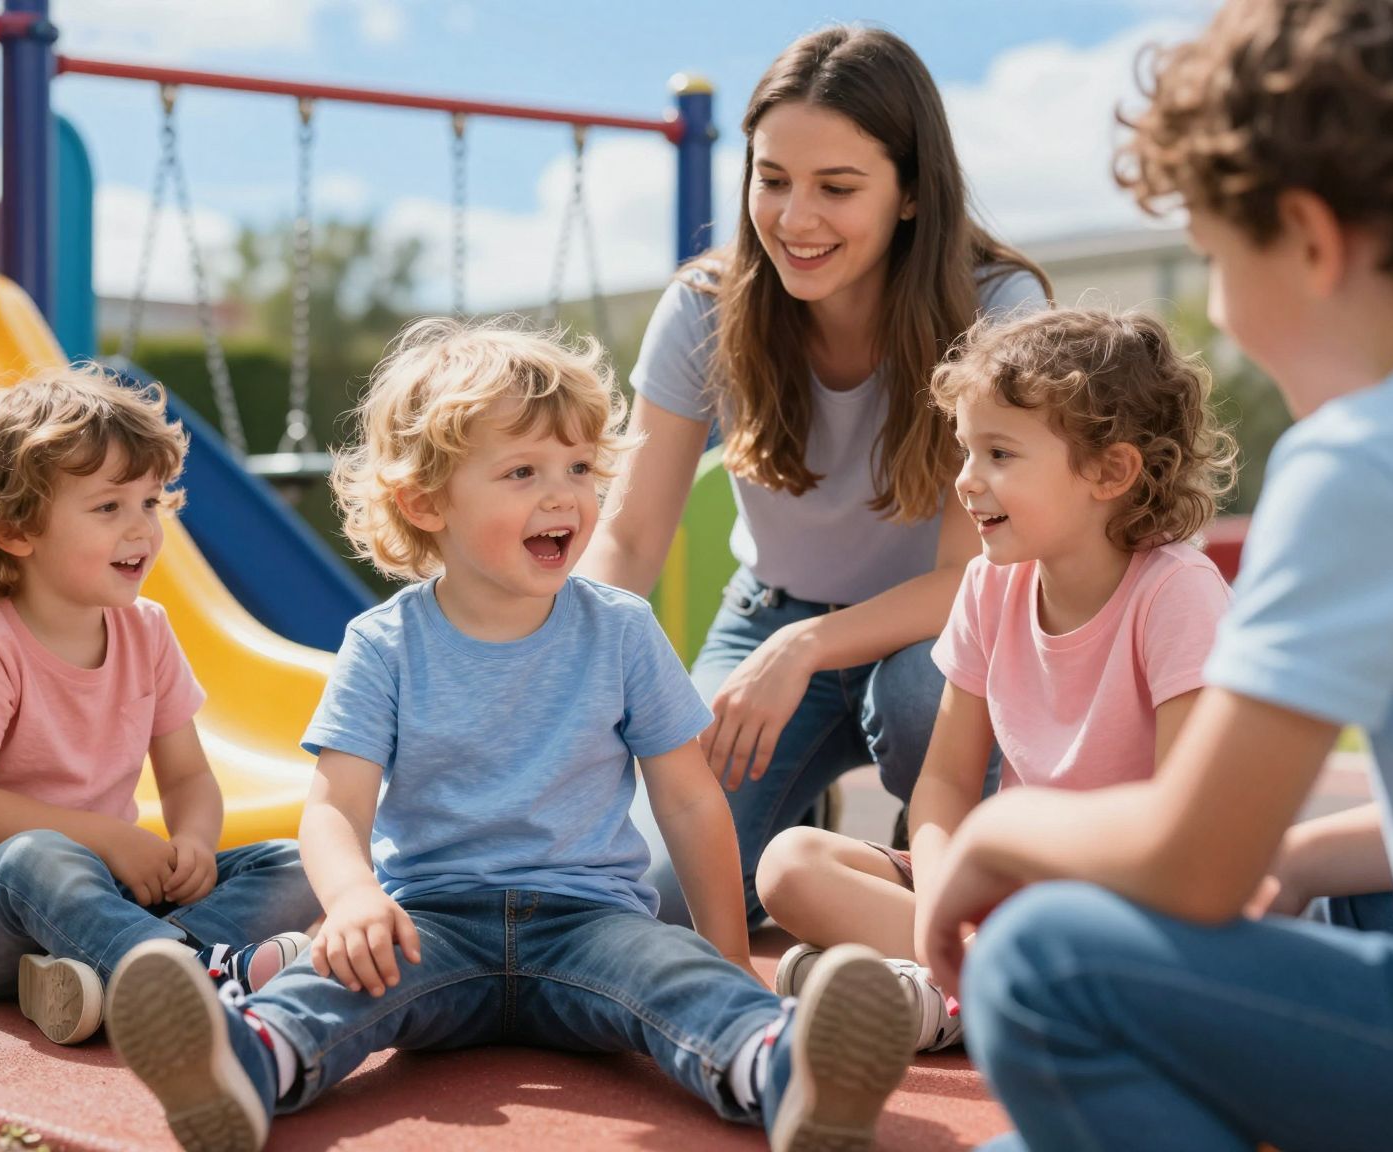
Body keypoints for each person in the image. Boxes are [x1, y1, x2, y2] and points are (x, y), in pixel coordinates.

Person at [917, 3, 1393, 1149]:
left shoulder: (1372, 459)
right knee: (1357, 883)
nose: (1220, 307)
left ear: (1308, 239)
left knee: (1040, 962)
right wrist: (1302, 852)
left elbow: (1192, 868)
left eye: (1215, 258)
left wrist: (992, 837)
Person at [106, 319, 918, 1152]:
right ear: (426, 502)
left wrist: (728, 953)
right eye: (523, 471)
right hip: (431, 920)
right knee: (336, 974)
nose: (563, 495)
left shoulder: (621, 630)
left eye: (579, 468)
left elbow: (687, 800)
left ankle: (789, 1072)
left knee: (681, 979)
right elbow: (334, 808)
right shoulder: (384, 644)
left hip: (591, 922)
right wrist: (352, 899)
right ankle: (240, 1064)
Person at [578, 24, 1049, 926]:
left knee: (921, 696)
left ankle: (913, 864)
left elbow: (977, 577)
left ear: (912, 192)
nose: (795, 219)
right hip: (769, 614)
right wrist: (561, 664)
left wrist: (804, 649)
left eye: (837, 188)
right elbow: (629, 537)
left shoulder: (997, 310)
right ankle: (803, 834)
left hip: (932, 637)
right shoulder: (705, 308)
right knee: (659, 900)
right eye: (773, 179)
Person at [755, 307, 1237, 1056]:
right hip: (1004, 893)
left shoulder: (1177, 593)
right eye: (966, 450)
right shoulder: (989, 584)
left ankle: (940, 994)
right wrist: (939, 906)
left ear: (1110, 472)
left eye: (1000, 454)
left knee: (1128, 952)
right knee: (790, 865)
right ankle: (972, 983)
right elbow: (946, 782)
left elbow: (1184, 823)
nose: (966, 480)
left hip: (1122, 901)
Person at [0, 366, 320, 1046]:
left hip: (104, 895)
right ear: (15, 531)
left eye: (150, 503)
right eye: (109, 508)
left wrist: (195, 843)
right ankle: (191, 971)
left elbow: (188, 777)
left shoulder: (148, 631)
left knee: (298, 862)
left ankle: (111, 975)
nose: (140, 529)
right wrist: (108, 838)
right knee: (38, 857)